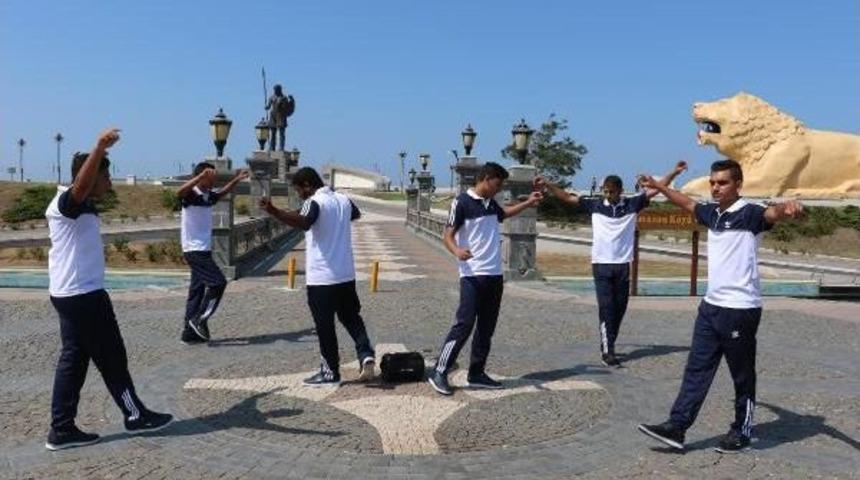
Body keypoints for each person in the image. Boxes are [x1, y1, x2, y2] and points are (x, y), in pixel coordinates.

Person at [637, 159, 803, 453]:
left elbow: (773, 213)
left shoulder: (750, 213)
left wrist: (788, 209)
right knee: (696, 369)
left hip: (740, 309)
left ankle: (742, 430)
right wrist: (660, 186)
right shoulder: (712, 212)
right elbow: (686, 203)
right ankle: (677, 427)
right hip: (710, 307)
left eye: (722, 182)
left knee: (742, 374)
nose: (715, 187)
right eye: (713, 182)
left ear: (738, 184)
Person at [44, 128, 173, 451]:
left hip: (73, 293)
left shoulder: (78, 203)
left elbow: (84, 189)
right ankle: (134, 415)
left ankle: (61, 430)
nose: (110, 184)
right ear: (88, 176)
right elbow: (81, 186)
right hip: (82, 296)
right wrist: (99, 148)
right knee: (111, 357)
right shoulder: (67, 201)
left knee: (74, 360)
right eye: (107, 177)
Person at [537, 161, 687, 367]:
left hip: (623, 265)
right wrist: (548, 184)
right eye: (605, 191)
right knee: (606, 307)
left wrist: (674, 172)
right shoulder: (595, 205)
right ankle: (608, 351)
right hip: (601, 265)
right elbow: (566, 197)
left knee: (620, 308)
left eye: (611, 192)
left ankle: (609, 341)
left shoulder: (631, 204)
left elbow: (656, 188)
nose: (607, 195)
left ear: (620, 191)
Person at [427, 162, 543, 396]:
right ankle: (440, 370)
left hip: (494, 276)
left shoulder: (491, 203)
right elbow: (448, 235)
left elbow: (504, 214)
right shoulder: (462, 202)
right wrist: (457, 251)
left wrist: (529, 202)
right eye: (497, 185)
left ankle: (477, 373)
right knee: (464, 324)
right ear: (486, 179)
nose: (498, 190)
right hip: (472, 275)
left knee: (486, 328)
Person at [260, 167, 375, 386]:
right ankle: (365, 353)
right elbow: (356, 213)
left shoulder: (314, 201)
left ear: (307, 185)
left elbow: (304, 221)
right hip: (346, 274)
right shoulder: (342, 199)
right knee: (351, 317)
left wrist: (274, 211)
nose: (300, 195)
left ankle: (330, 372)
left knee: (325, 326)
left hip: (322, 277)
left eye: (299, 191)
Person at [177, 163, 249, 344]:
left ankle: (189, 333)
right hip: (194, 250)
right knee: (218, 283)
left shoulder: (207, 195)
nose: (214, 181)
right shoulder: (191, 195)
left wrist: (236, 180)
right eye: (211, 177)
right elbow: (179, 192)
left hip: (203, 249)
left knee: (197, 290)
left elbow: (222, 192)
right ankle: (198, 320)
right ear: (202, 177)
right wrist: (199, 177)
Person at [265, 84, 295, 151]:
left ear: (279, 90)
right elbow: (269, 105)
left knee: (281, 133)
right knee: (273, 133)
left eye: (276, 90)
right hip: (273, 116)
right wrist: (267, 107)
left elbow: (287, 107)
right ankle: (272, 147)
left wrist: (292, 101)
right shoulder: (272, 97)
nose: (275, 91)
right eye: (274, 90)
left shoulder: (284, 98)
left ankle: (281, 147)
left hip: (281, 116)